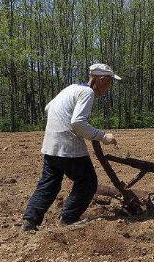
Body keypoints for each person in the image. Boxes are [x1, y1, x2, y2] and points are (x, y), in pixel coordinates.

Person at [21, 63, 121, 231]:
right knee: (88, 182)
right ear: (101, 79)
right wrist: (103, 136)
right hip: (68, 146)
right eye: (109, 82)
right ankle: (68, 218)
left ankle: (30, 221)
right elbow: (78, 123)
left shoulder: (71, 88)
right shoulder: (87, 92)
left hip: (51, 145)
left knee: (49, 183)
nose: (109, 87)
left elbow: (49, 107)